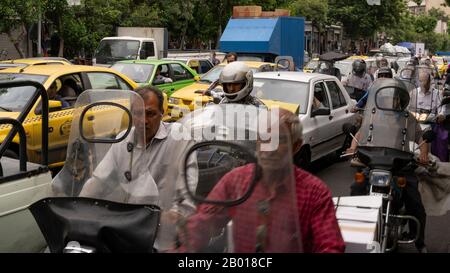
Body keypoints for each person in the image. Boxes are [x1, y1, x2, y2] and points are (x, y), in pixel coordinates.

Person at [183, 108, 345, 253]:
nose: (268, 147)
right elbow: (201, 224)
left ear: (296, 146)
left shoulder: (315, 192)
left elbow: (331, 246)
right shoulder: (236, 181)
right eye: (264, 138)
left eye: (279, 140)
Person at [78, 86, 197, 250]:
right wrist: (78, 208)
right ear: (131, 114)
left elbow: (187, 195)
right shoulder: (123, 140)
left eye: (150, 113)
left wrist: (174, 218)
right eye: (138, 113)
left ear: (162, 113)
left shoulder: (179, 138)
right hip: (126, 228)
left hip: (163, 233)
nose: (144, 120)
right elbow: (98, 181)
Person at [346, 79, 430, 253]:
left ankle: (419, 242)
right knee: (357, 187)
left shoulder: (408, 119)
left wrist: (423, 153)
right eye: (387, 97)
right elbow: (361, 132)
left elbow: (422, 138)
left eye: (394, 97)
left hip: (401, 165)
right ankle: (354, 230)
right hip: (375, 162)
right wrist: (353, 148)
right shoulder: (374, 115)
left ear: (400, 100)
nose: (391, 100)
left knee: (415, 203)